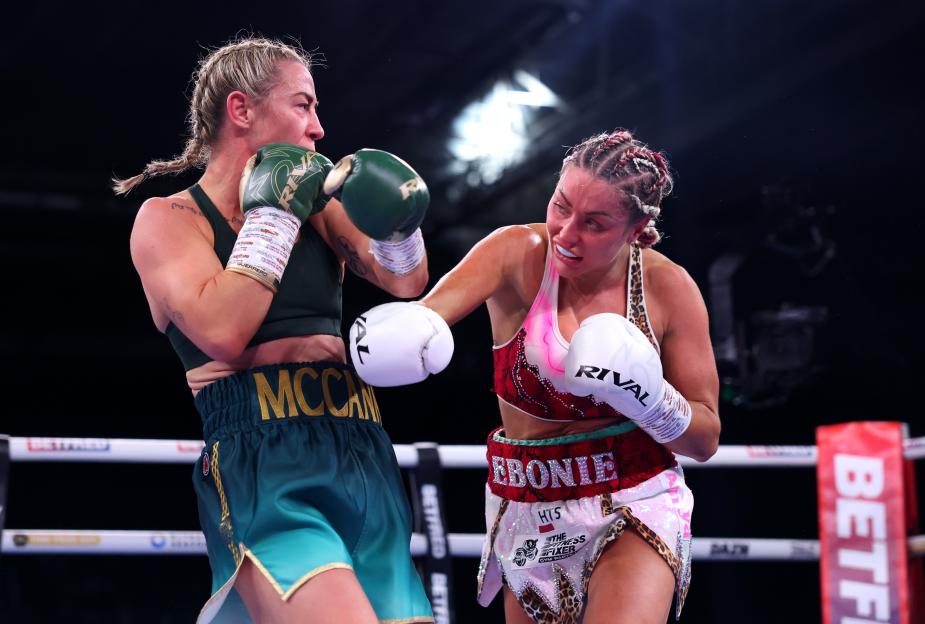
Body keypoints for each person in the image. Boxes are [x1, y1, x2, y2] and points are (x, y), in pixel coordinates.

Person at [114, 36, 435, 624]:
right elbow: (223, 331)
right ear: (242, 109)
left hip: (361, 446)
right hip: (262, 456)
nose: (318, 127)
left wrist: (400, 218)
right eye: (303, 105)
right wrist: (273, 212)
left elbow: (405, 281)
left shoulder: (321, 206)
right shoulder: (170, 219)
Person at [348, 129, 721, 623]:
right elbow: (422, 319)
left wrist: (648, 397)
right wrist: (386, 332)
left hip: (634, 499)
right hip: (528, 507)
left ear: (635, 230)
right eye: (561, 205)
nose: (566, 233)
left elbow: (705, 438)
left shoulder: (667, 287)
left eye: (594, 223)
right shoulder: (515, 253)